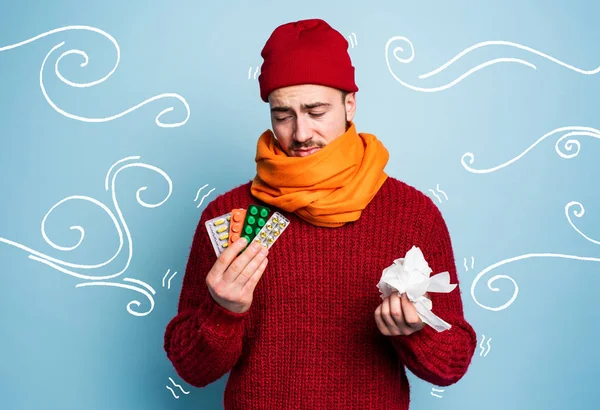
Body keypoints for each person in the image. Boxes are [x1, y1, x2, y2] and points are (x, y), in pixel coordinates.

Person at [164, 18, 477, 410]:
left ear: (350, 104)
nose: (300, 133)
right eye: (283, 115)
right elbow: (192, 370)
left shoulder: (413, 213)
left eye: (316, 111)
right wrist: (223, 313)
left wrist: (416, 331)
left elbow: (452, 364)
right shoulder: (230, 214)